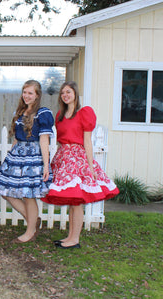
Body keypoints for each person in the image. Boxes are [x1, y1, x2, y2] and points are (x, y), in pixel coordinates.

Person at [42, 81, 119, 249]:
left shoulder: (84, 113)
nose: (65, 95)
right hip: (63, 158)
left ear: (75, 94)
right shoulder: (60, 116)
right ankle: (70, 236)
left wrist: (90, 167)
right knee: (71, 200)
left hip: (77, 159)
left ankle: (74, 239)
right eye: (63, 93)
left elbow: (87, 141)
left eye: (68, 92)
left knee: (77, 201)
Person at [0, 80, 54, 243]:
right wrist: (9, 158)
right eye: (25, 92)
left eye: (30, 93)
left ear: (37, 95)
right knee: (5, 192)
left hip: (33, 157)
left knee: (28, 195)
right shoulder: (21, 112)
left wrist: (45, 165)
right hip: (17, 155)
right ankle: (32, 220)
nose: (26, 96)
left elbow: (44, 141)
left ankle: (29, 232)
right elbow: (16, 138)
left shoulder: (43, 113)